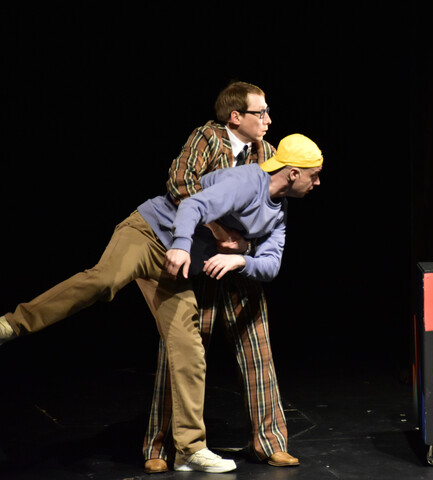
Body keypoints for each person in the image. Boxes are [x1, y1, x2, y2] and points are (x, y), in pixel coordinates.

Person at [0, 133, 323, 474]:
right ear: (293, 173)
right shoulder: (246, 182)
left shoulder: (278, 212)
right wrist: (181, 244)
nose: (317, 182)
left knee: (189, 349)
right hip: (149, 235)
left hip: (175, 270)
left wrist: (241, 260)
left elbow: (271, 264)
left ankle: (190, 449)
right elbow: (192, 204)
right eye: (314, 175)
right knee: (104, 281)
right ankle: (11, 325)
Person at [140, 81, 299, 474]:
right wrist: (217, 230)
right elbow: (181, 184)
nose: (268, 119)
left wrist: (245, 247)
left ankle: (270, 442)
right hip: (201, 262)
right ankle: (160, 445)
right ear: (236, 116)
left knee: (258, 351)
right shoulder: (208, 138)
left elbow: (273, 207)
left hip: (239, 266)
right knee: (180, 354)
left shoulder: (269, 153)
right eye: (260, 112)